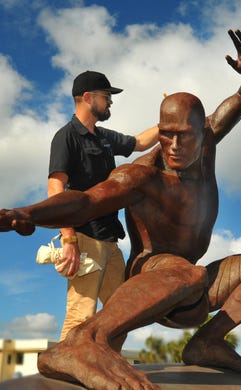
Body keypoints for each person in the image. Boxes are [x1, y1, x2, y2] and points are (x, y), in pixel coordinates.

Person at [1, 29, 241, 390]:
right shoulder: (140, 177)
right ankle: (77, 345)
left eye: (184, 134)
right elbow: (86, 201)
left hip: (193, 282)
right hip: (151, 271)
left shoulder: (208, 142)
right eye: (166, 133)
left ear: (202, 131)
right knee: (187, 274)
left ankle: (206, 343)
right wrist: (26, 214)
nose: (173, 144)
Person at [48, 70, 159, 342]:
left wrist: (171, 122)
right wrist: (69, 239)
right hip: (84, 239)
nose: (110, 102)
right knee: (81, 315)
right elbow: (55, 189)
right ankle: (64, 377)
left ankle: (107, 369)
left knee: (120, 315)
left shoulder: (104, 137)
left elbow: (141, 142)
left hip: (110, 241)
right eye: (106, 96)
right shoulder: (66, 137)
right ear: (87, 97)